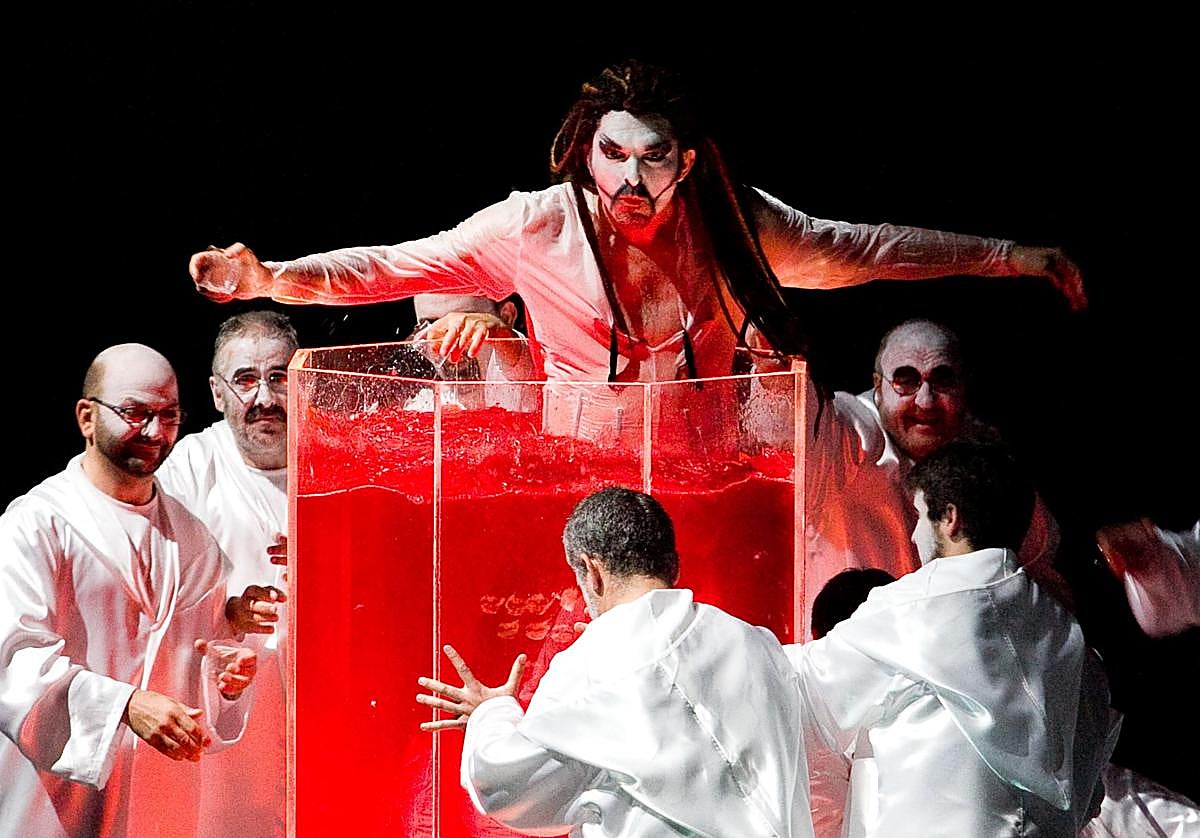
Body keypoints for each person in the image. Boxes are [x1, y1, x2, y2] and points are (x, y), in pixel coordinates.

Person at [189, 59, 1084, 396]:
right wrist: (272, 277)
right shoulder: (537, 224)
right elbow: (395, 265)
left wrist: (1008, 257)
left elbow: (863, 249)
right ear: (587, 149)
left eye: (651, 159)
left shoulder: (731, 221)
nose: (629, 178)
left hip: (711, 468)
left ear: (683, 162)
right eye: (612, 154)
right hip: (579, 472)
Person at [415, 487, 814, 837]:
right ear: (673, 565)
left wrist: (492, 712)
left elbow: (507, 786)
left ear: (592, 572)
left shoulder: (591, 662)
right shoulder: (757, 644)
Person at [785, 440, 1120, 837]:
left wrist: (724, 640)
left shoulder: (918, 607)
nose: (913, 536)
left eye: (919, 516)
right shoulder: (1074, 645)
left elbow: (802, 689)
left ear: (950, 518)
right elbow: (1089, 797)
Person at [0, 343, 257, 838]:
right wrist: (125, 706)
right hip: (54, 801)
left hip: (161, 803)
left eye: (169, 416)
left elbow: (202, 655)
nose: (155, 433)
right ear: (87, 417)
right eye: (135, 413)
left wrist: (225, 681)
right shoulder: (36, 524)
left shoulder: (192, 538)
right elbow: (14, 662)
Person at [793, 317, 1070, 637]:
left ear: (964, 387)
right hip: (843, 656)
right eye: (905, 380)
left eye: (943, 380)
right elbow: (809, 416)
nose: (925, 402)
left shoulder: (983, 457)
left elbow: (1040, 569)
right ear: (878, 387)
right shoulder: (847, 434)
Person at [157, 311, 297, 838]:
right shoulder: (190, 469)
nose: (265, 398)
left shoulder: (337, 460)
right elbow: (157, 586)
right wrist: (227, 612)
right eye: (245, 380)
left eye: (279, 377)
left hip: (326, 698)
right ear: (217, 393)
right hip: (230, 704)